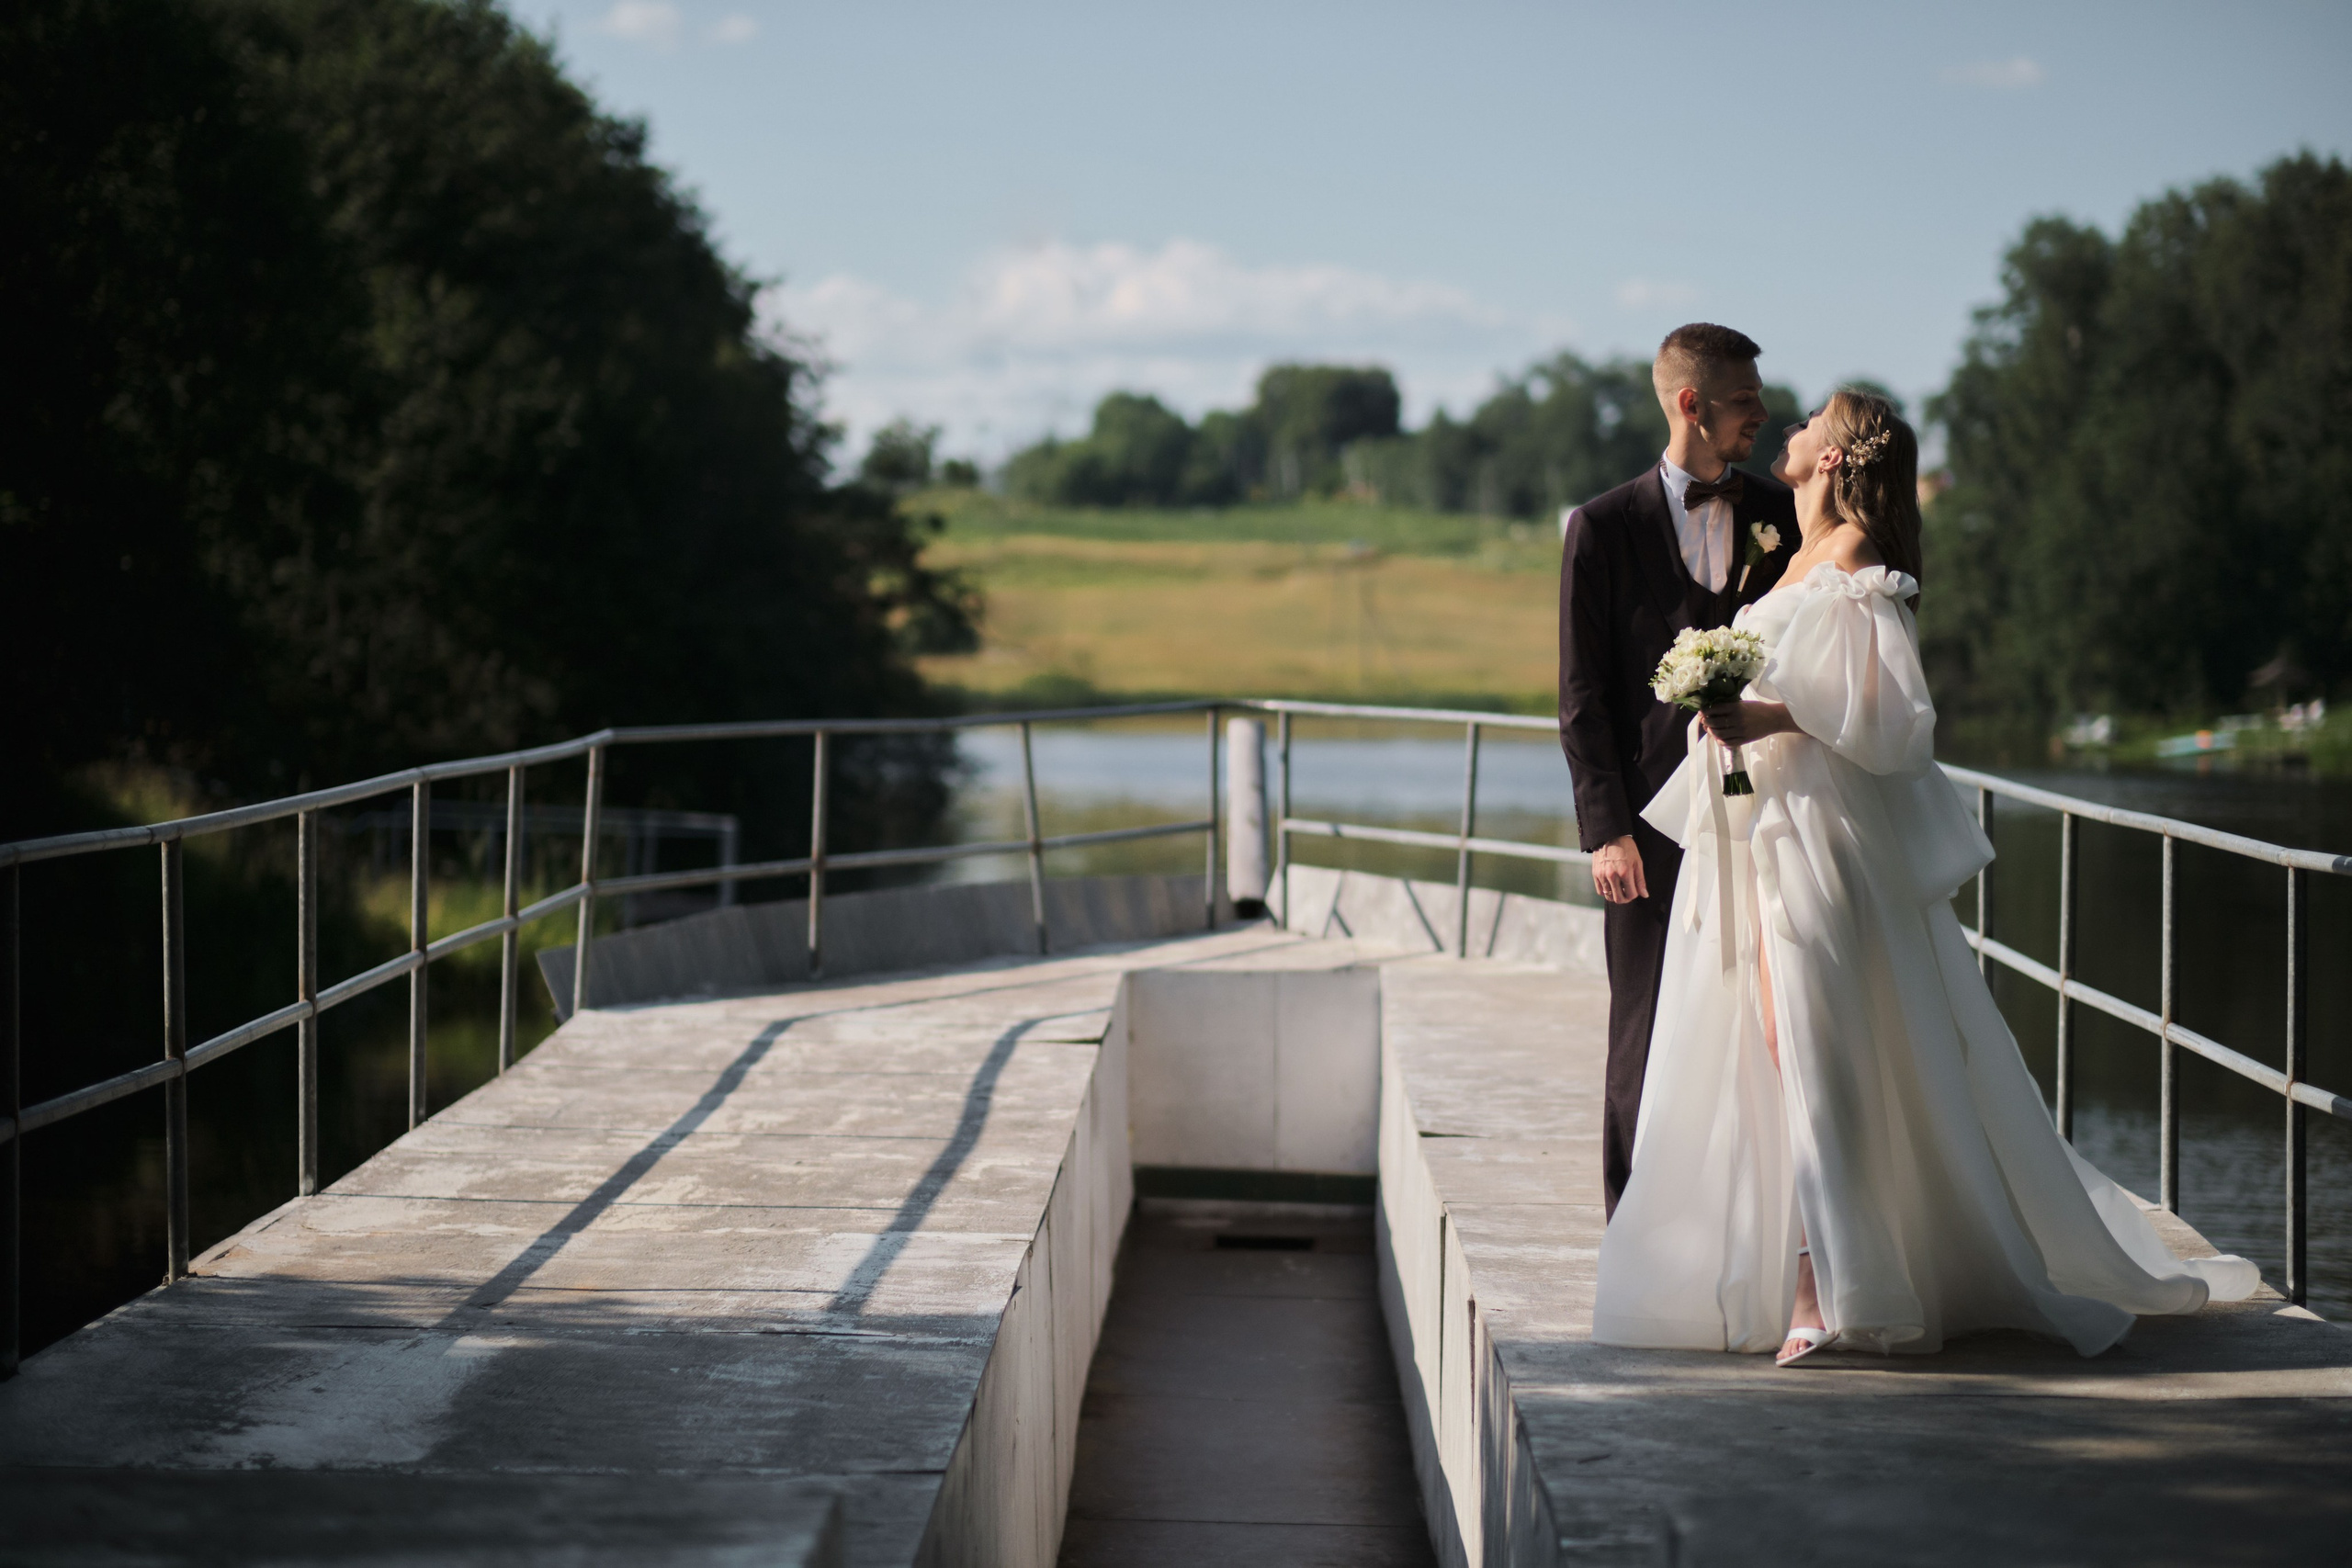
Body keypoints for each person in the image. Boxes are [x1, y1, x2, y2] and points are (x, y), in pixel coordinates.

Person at [1590, 389, 2258, 1365]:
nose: (1793, 425)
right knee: (1770, 1042)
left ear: (1835, 455)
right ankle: (1798, 1271)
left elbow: (1896, 721)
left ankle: (1836, 1286)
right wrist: (1721, 707)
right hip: (1759, 828)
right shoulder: (1796, 557)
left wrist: (1769, 718)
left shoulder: (1860, 561)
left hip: (1818, 835)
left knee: (1816, 1043)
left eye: (1813, 418)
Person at [1557, 323, 1799, 1217]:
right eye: (1744, 401)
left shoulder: (1782, 514)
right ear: (1691, 405)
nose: (1762, 417)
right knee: (1645, 1022)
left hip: (1770, 815)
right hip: (1650, 831)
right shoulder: (1600, 528)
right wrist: (1606, 831)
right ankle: (1631, 1223)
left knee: (1763, 1022)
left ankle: (1752, 1223)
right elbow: (1582, 698)